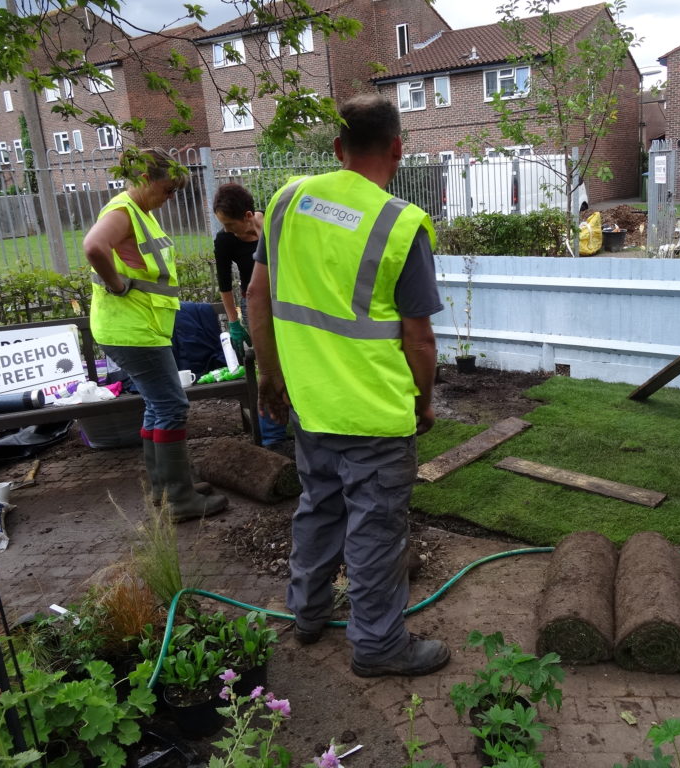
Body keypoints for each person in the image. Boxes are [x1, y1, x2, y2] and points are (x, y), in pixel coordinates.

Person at [245, 94, 449, 677]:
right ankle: (379, 646)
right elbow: (420, 341)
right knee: (376, 531)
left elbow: (258, 295)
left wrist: (270, 375)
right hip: (377, 416)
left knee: (319, 511)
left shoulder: (286, 201)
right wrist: (424, 403)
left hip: (311, 405)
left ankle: (307, 614)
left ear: (336, 149)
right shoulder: (401, 223)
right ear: (397, 149)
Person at [83, 148, 227, 520]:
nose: (170, 198)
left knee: (156, 405)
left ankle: (165, 488)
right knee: (171, 406)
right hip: (132, 329)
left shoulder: (140, 213)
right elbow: (94, 247)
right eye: (167, 190)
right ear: (146, 179)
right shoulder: (123, 211)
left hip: (141, 328)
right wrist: (116, 285)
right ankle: (181, 500)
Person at [212, 183, 289, 450]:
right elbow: (224, 284)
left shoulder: (274, 226)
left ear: (247, 216)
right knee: (265, 366)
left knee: (292, 362)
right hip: (252, 305)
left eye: (229, 224)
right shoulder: (225, 240)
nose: (226, 229)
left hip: (285, 302)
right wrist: (233, 321)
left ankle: (302, 424)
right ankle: (273, 438)